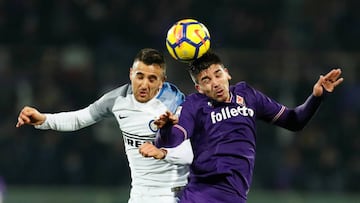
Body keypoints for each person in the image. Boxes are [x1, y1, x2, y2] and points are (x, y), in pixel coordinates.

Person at [151, 51, 344, 203]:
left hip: (235, 195)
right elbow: (172, 139)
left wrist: (317, 97)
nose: (215, 83)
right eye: (206, 80)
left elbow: (294, 121)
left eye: (217, 74)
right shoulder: (195, 105)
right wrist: (166, 128)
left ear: (227, 74)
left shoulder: (248, 95)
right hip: (202, 194)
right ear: (199, 88)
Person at [16, 48, 193, 203]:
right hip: (139, 194)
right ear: (131, 73)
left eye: (152, 79)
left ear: (162, 81)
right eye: (140, 76)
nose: (144, 84)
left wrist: (162, 153)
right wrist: (44, 120)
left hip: (172, 193)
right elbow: (80, 118)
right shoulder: (117, 99)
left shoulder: (173, 104)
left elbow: (188, 154)